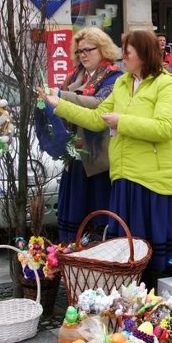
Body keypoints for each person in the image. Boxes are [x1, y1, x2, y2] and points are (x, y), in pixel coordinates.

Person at [39, 29, 172, 286]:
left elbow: (164, 128)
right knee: (129, 249)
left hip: (154, 181)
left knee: (156, 252)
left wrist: (121, 122)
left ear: (144, 55)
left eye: (128, 53)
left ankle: (160, 295)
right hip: (124, 177)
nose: (123, 58)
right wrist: (59, 104)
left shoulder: (167, 85)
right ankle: (133, 295)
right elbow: (95, 119)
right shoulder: (123, 84)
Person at [46, 27, 122, 243]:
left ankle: (98, 260)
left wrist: (60, 97)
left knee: (98, 216)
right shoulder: (74, 76)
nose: (83, 55)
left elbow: (99, 105)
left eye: (89, 49)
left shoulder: (114, 77)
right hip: (75, 158)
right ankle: (73, 258)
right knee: (74, 216)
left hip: (98, 161)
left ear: (104, 49)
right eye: (79, 51)